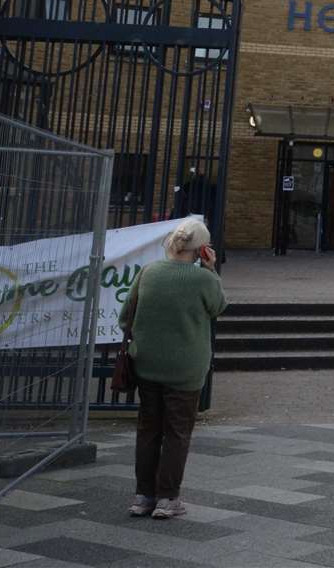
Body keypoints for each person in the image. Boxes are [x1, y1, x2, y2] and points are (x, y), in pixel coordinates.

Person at [120, 216, 226, 520]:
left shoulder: (149, 272)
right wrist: (210, 269)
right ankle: (168, 498)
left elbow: (127, 316)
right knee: (177, 432)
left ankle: (143, 497)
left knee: (148, 429)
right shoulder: (203, 280)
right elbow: (218, 307)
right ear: (201, 249)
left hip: (148, 363)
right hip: (186, 368)